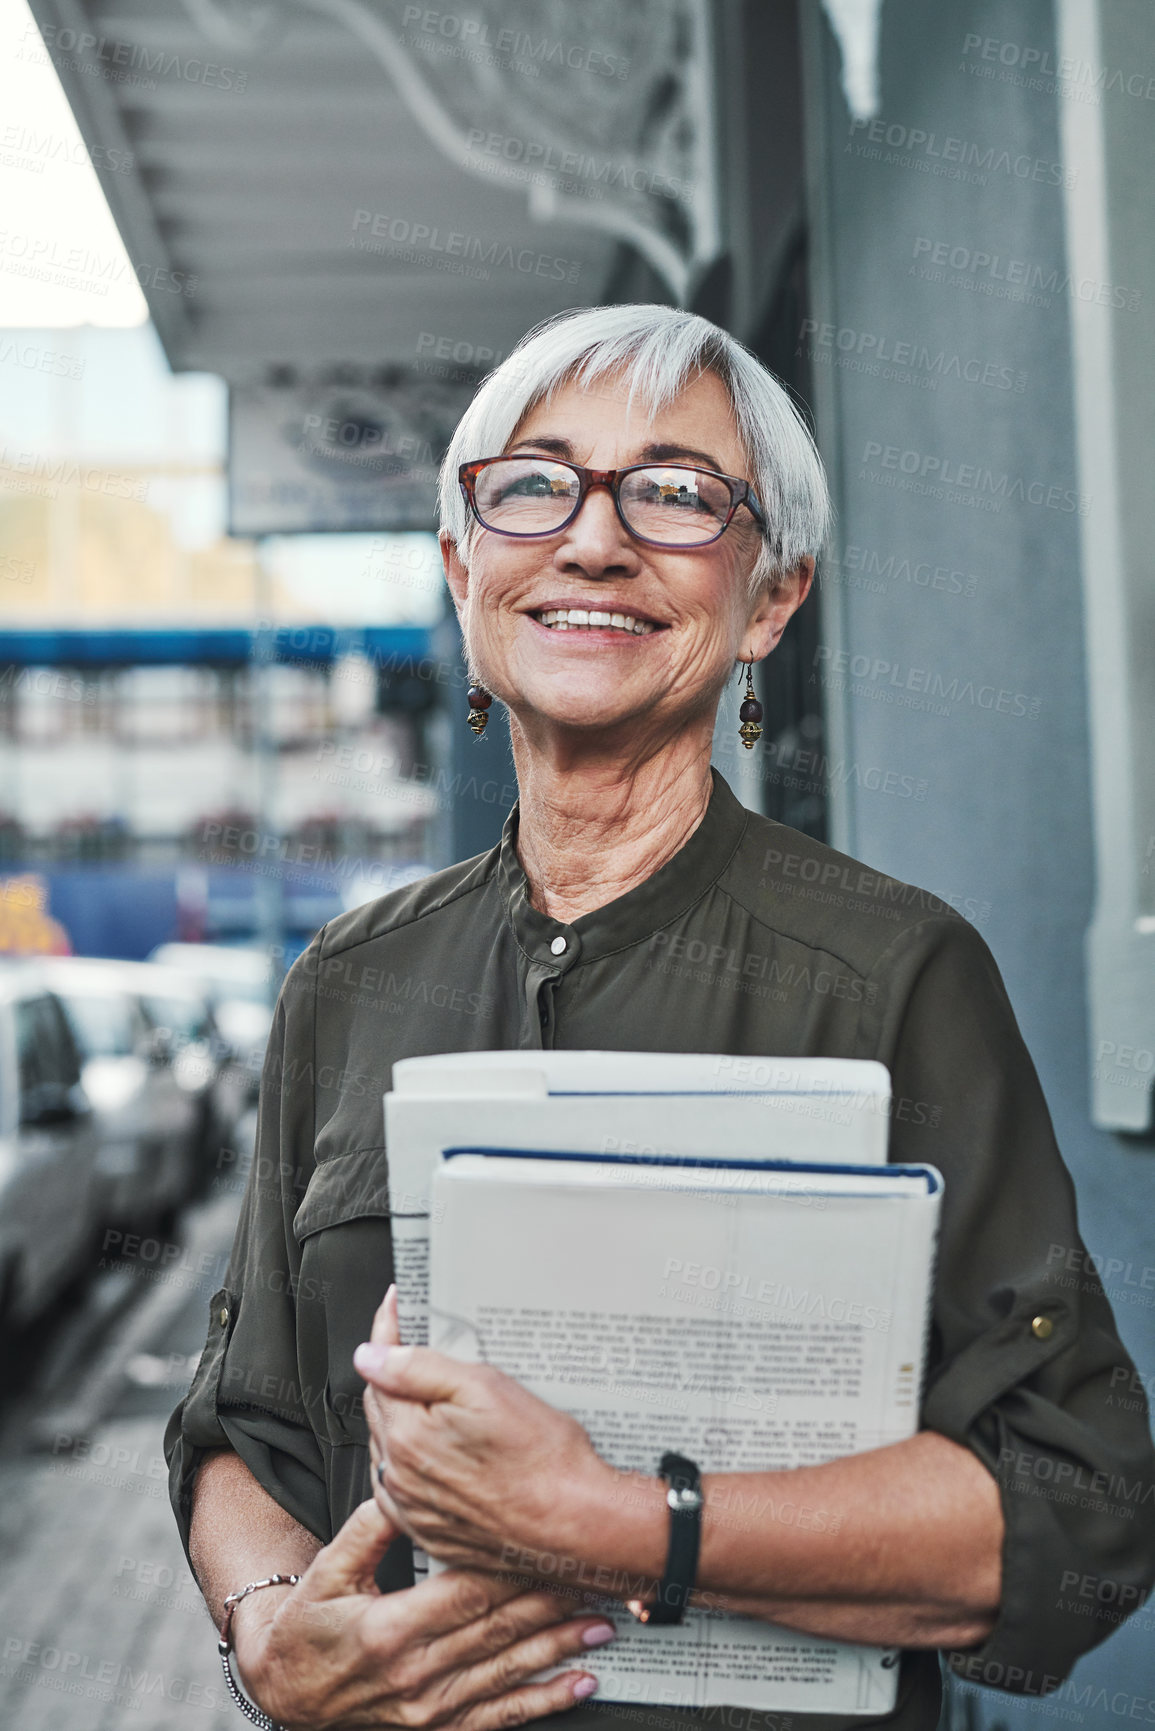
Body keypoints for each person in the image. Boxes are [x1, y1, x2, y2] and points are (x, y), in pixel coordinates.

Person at [166, 303, 1155, 1731]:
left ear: (771, 598)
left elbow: (1081, 1510)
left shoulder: (896, 974)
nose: (593, 539)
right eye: (534, 484)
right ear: (465, 565)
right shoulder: (345, 979)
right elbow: (234, 1425)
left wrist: (618, 1519)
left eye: (679, 495)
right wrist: (269, 1633)